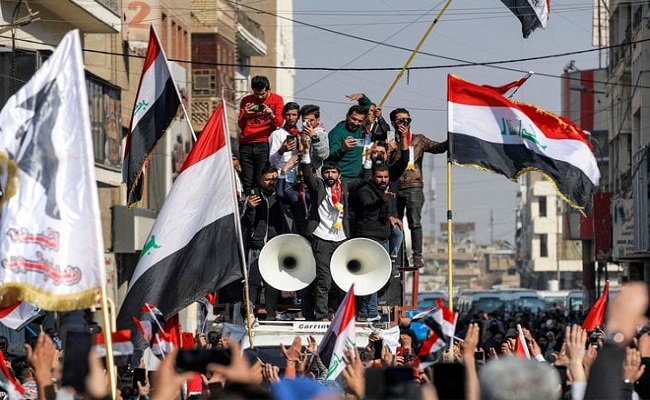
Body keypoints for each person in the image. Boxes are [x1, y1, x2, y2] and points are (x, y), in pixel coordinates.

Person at [299, 137, 369, 321]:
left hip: (341, 238)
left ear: (339, 174)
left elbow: (365, 179)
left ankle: (336, 313)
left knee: (340, 279)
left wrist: (368, 158)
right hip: (321, 237)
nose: (330, 175)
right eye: (327, 172)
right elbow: (307, 176)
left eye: (333, 172)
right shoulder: (319, 186)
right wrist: (306, 153)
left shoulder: (345, 186)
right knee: (324, 279)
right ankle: (321, 314)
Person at [392, 108, 448, 268]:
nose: (404, 123)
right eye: (400, 120)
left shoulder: (418, 140)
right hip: (394, 186)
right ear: (393, 123)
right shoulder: (390, 141)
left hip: (413, 186)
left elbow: (438, 148)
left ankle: (417, 255)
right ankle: (400, 255)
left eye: (407, 120)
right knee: (395, 223)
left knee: (414, 222)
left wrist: (451, 138)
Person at [241, 165, 298, 321]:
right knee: (253, 281)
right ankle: (250, 314)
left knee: (271, 283)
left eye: (274, 178)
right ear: (260, 180)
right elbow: (246, 222)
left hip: (277, 247)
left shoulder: (283, 195)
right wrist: (251, 208)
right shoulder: (253, 195)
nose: (271, 182)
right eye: (267, 179)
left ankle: (271, 315)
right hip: (258, 245)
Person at [349, 163, 395, 322]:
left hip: (383, 237)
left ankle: (366, 311)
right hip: (369, 237)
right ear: (373, 177)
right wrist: (382, 200)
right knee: (372, 276)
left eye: (386, 177)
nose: (383, 180)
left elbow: (389, 212)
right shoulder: (365, 191)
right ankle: (370, 312)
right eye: (379, 177)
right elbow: (367, 207)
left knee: (377, 276)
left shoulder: (387, 192)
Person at [237, 75, 284, 193]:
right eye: (256, 93)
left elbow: (279, 122)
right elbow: (241, 125)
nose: (259, 97)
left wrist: (271, 114)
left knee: (260, 179)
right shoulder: (246, 100)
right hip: (246, 143)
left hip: (264, 143)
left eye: (262, 94)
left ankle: (260, 205)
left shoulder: (277, 99)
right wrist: (246, 115)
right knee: (247, 181)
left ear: (268, 89)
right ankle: (249, 205)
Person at [327, 98, 371, 181]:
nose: (356, 123)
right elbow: (330, 156)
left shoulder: (359, 129)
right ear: (347, 116)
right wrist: (343, 149)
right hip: (342, 178)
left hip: (357, 178)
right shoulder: (337, 133)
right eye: (353, 119)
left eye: (359, 121)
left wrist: (362, 97)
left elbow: (367, 106)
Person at [268, 102, 301, 183]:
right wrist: (281, 150)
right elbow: (272, 161)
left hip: (297, 178)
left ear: (298, 117)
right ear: (284, 116)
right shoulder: (277, 134)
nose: (291, 118)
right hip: (282, 178)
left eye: (294, 115)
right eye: (288, 114)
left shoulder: (300, 135)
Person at [299, 104, 329, 174]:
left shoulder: (320, 133)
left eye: (311, 120)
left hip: (314, 173)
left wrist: (314, 138)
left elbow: (323, 155)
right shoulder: (300, 134)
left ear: (317, 120)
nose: (308, 124)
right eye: (305, 121)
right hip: (301, 172)